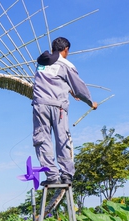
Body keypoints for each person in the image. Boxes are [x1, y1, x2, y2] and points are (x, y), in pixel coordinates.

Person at [32, 37, 98, 185]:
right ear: (66, 49)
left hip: (40, 105)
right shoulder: (66, 64)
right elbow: (80, 88)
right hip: (58, 107)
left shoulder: (41, 63)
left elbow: (50, 81)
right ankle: (67, 173)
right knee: (62, 138)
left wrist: (68, 89)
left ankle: (51, 175)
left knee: (42, 140)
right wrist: (90, 103)